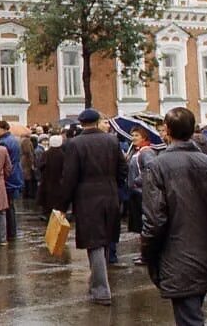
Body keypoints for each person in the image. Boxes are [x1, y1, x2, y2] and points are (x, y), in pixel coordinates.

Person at [141, 107, 207, 326]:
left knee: (189, 317)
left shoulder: (157, 166)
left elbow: (154, 220)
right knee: (191, 310)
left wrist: (148, 253)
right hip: (205, 251)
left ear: (167, 131)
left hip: (176, 252)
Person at [59, 108, 127, 306]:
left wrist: (64, 205)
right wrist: (116, 187)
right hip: (110, 194)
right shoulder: (111, 141)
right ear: (97, 121)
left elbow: (69, 177)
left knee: (94, 242)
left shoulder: (75, 144)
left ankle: (101, 290)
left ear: (81, 123)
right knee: (105, 239)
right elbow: (123, 168)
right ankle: (97, 282)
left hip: (87, 198)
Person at [127, 126, 157, 237]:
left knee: (144, 224)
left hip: (142, 193)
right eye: (133, 135)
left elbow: (150, 169)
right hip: (136, 193)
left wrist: (136, 181)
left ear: (143, 137)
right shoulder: (136, 151)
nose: (133, 138)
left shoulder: (146, 152)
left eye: (137, 135)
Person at [0, 121, 23, 240]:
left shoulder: (4, 143)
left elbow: (3, 162)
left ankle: (9, 231)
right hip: (15, 174)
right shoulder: (13, 140)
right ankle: (12, 230)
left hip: (8, 177)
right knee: (10, 205)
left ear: (3, 129)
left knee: (6, 205)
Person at [36, 134, 66, 219]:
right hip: (59, 181)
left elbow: (40, 166)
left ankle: (46, 214)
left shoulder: (46, 154)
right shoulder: (63, 155)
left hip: (47, 180)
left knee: (47, 200)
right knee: (57, 201)